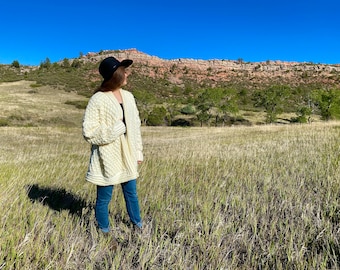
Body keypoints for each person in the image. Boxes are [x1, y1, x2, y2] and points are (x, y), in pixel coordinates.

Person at [82, 56, 143, 235]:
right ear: (116, 75)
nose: (127, 75)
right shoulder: (98, 99)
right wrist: (116, 129)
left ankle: (137, 225)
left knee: (131, 193)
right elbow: (89, 131)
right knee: (104, 197)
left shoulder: (129, 97)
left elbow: (136, 126)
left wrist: (138, 151)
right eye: (124, 72)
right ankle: (104, 231)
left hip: (128, 153)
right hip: (107, 156)